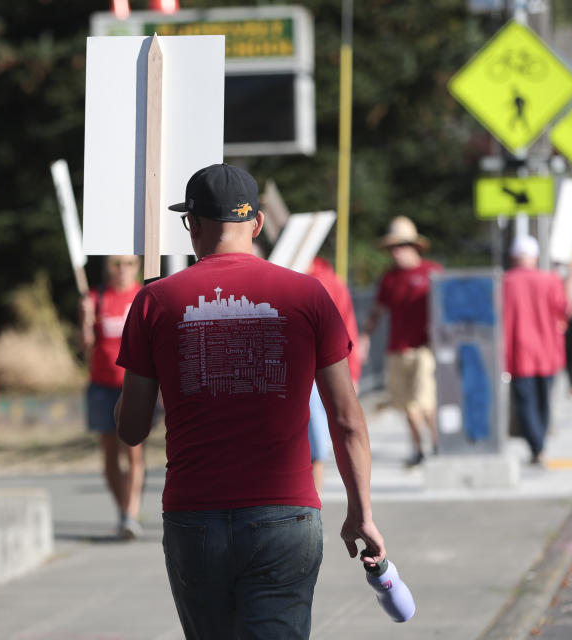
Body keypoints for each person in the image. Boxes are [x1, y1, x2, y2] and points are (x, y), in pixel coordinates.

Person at [115, 163, 385, 639]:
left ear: (191, 225)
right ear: (257, 224)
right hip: (286, 514)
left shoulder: (156, 302)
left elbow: (131, 428)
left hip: (194, 515)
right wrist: (361, 512)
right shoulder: (307, 294)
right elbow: (347, 420)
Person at [360, 216, 442, 467]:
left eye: (401, 246)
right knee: (406, 405)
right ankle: (418, 448)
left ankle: (437, 444)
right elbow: (377, 310)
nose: (396, 253)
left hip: (423, 348)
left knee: (423, 402)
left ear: (414, 247)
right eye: (393, 248)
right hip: (397, 348)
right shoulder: (390, 278)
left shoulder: (432, 272)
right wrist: (364, 337)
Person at [80, 254, 145, 539]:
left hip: (132, 385)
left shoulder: (143, 296)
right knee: (109, 454)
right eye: (117, 264)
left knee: (133, 450)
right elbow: (86, 347)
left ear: (137, 266)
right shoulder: (96, 297)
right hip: (102, 385)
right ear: (109, 267)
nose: (123, 269)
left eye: (129, 263)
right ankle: (124, 513)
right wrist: (85, 321)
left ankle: (131, 513)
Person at [502, 235, 572, 465]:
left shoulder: (505, 282)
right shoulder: (550, 281)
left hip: (519, 353)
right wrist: (571, 279)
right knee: (544, 400)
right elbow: (565, 310)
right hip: (548, 352)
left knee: (525, 402)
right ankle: (539, 442)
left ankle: (537, 444)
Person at [306, 256, 362, 495]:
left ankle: (313, 507)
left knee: (316, 443)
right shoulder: (328, 281)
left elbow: (345, 328)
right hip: (312, 372)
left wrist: (353, 373)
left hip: (316, 373)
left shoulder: (326, 282)